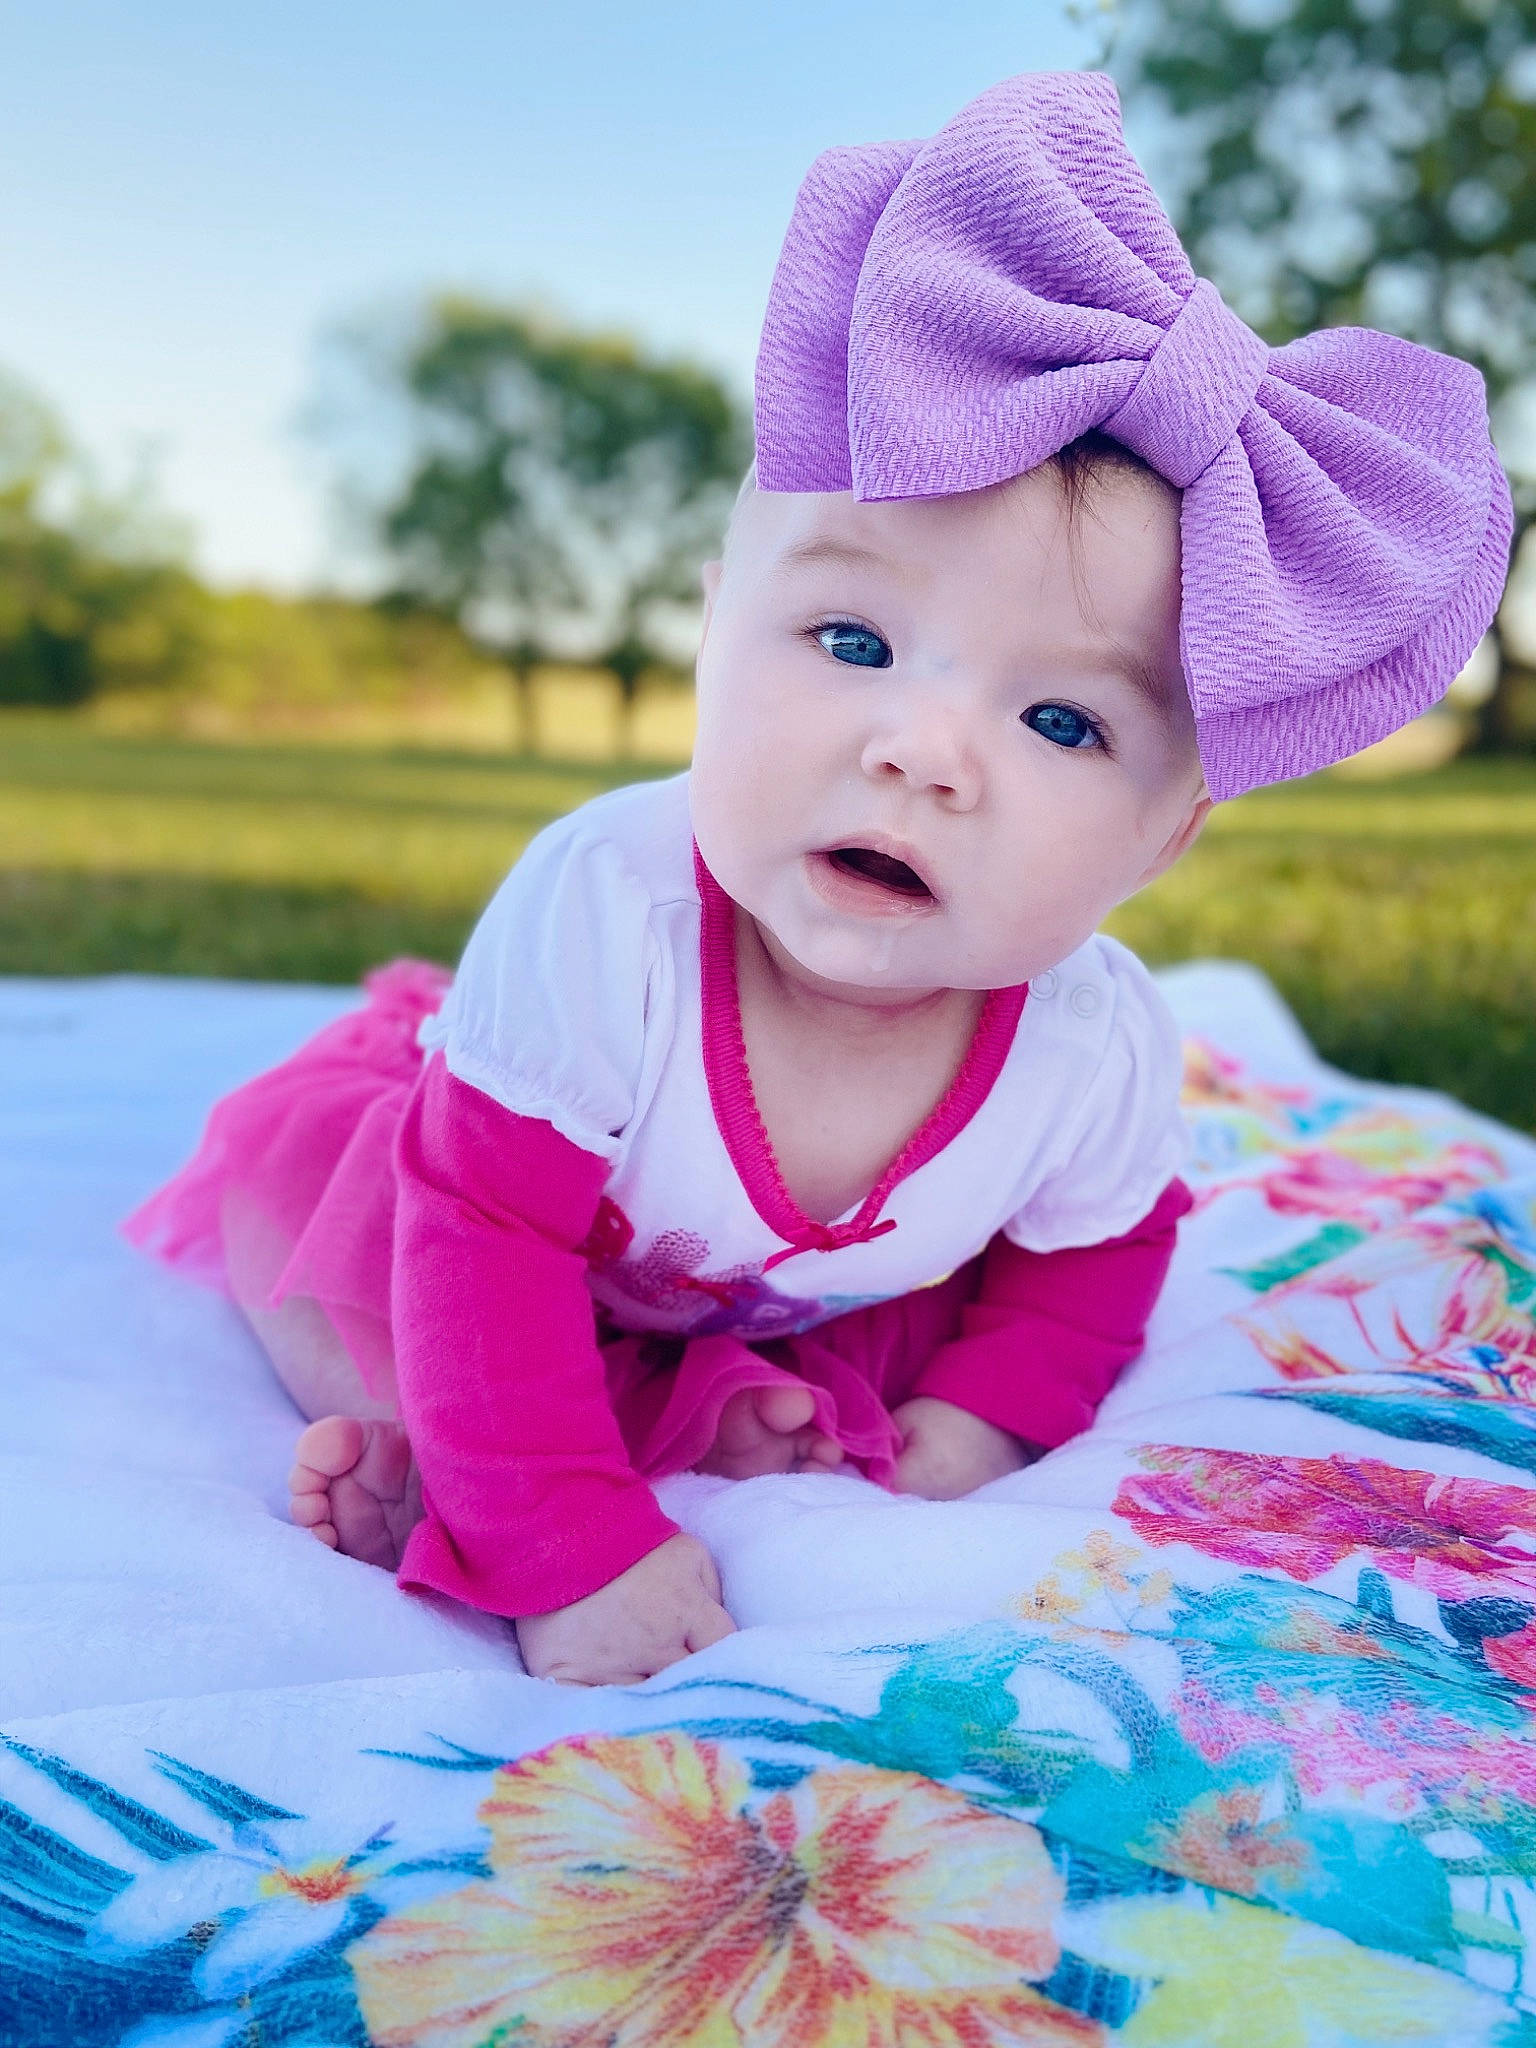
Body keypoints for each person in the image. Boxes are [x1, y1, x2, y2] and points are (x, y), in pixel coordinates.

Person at [125, 71, 1511, 1687]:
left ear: (1165, 838)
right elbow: (484, 1221)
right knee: (336, 1263)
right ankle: (479, 1460)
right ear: (714, 637)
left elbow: (1095, 1258)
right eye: (850, 642)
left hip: (774, 1293)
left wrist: (993, 1419)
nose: (924, 751)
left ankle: (582, 1424)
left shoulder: (1091, 1045)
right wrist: (564, 1552)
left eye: (1063, 719)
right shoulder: (608, 913)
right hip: (498, 1209)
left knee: (894, 1351)